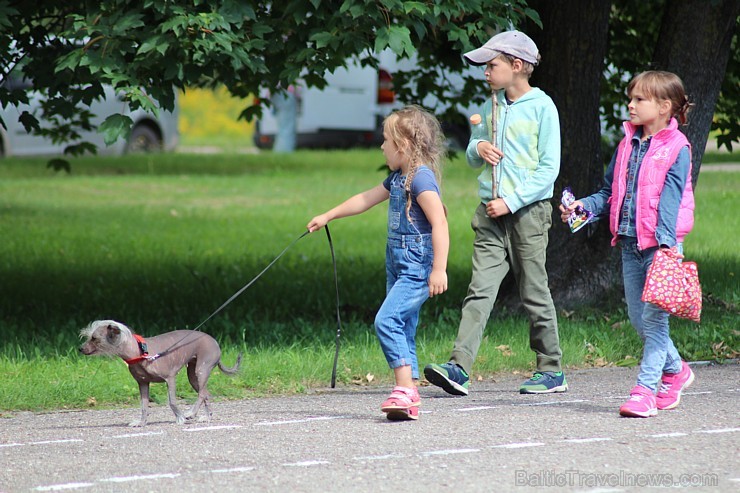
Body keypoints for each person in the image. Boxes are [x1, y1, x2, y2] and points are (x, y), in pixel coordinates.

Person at [424, 30, 566, 396]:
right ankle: (458, 367)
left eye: (492, 65)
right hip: (489, 214)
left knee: (533, 289)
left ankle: (551, 370)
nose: (485, 72)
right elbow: (473, 152)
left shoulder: (542, 108)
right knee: (479, 290)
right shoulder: (491, 106)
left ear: (517, 66)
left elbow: (548, 170)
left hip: (528, 214)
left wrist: (512, 200)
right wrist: (480, 146)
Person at [560, 71, 695, 418]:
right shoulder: (626, 144)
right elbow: (609, 193)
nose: (630, 105)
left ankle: (645, 391)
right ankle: (677, 371)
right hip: (630, 245)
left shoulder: (677, 149)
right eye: (630, 98)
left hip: (660, 247)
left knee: (654, 323)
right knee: (639, 320)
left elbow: (670, 199)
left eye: (639, 100)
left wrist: (666, 249)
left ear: (664, 107)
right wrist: (583, 209)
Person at [307, 105, 449, 421]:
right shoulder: (397, 177)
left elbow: (440, 222)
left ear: (403, 146)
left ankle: (404, 388)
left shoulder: (421, 180)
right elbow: (366, 198)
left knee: (386, 320)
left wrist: (439, 268)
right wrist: (328, 215)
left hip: (417, 267)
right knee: (404, 326)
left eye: (386, 140)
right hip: (397, 264)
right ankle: (409, 398)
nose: (382, 146)